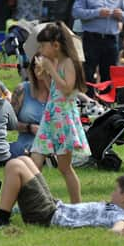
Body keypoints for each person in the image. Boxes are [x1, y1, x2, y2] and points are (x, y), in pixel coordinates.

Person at [0, 159, 124, 234]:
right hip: (55, 207)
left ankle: (1, 218)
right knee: (25, 160)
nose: (112, 193)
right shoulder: (120, 208)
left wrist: (117, 231)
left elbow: (120, 225)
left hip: (47, 216)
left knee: (15, 165)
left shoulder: (122, 216)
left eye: (116, 191)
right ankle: (7, 210)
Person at [29, 23, 90, 204]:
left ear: (55, 45)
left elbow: (67, 89)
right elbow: (54, 90)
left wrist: (52, 70)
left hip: (63, 119)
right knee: (35, 159)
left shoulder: (69, 62)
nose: (40, 50)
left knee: (65, 167)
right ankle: (33, 201)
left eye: (42, 46)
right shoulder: (56, 62)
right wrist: (44, 76)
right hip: (50, 117)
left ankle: (76, 204)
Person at [72, 0, 124, 83]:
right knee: (88, 73)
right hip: (92, 39)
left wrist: (121, 15)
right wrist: (97, 13)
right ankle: (88, 99)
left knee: (109, 75)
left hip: (111, 40)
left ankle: (107, 101)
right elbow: (76, 12)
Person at [8, 53, 51, 157]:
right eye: (35, 66)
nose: (39, 70)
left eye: (42, 66)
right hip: (26, 146)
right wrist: (30, 128)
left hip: (53, 144)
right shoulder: (22, 90)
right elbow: (9, 123)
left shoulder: (57, 92)